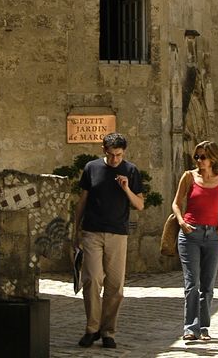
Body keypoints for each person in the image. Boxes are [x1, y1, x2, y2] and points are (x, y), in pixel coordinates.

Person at [72, 132, 145, 349]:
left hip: (118, 234)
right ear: (104, 150)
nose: (115, 159)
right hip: (92, 232)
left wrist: (126, 188)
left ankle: (108, 332)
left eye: (119, 155)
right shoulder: (91, 168)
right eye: (111, 154)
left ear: (124, 152)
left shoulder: (131, 171)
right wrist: (75, 230)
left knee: (115, 287)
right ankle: (91, 329)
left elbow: (139, 205)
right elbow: (82, 200)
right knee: (92, 279)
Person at [171, 140, 218, 341]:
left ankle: (204, 327)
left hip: (213, 237)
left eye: (203, 157)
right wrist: (181, 222)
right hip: (190, 234)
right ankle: (190, 328)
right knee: (192, 283)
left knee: (208, 285)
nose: (199, 160)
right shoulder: (189, 177)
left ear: (213, 158)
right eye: (197, 157)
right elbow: (176, 203)